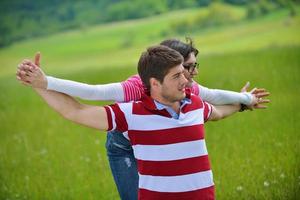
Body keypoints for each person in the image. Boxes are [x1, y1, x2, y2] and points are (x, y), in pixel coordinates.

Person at [17, 38, 269, 200]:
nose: (189, 79)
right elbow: (82, 104)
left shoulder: (193, 100)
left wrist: (245, 101)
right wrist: (41, 83)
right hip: (123, 142)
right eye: (179, 74)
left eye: (188, 70)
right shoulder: (132, 104)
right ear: (154, 83)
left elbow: (219, 108)